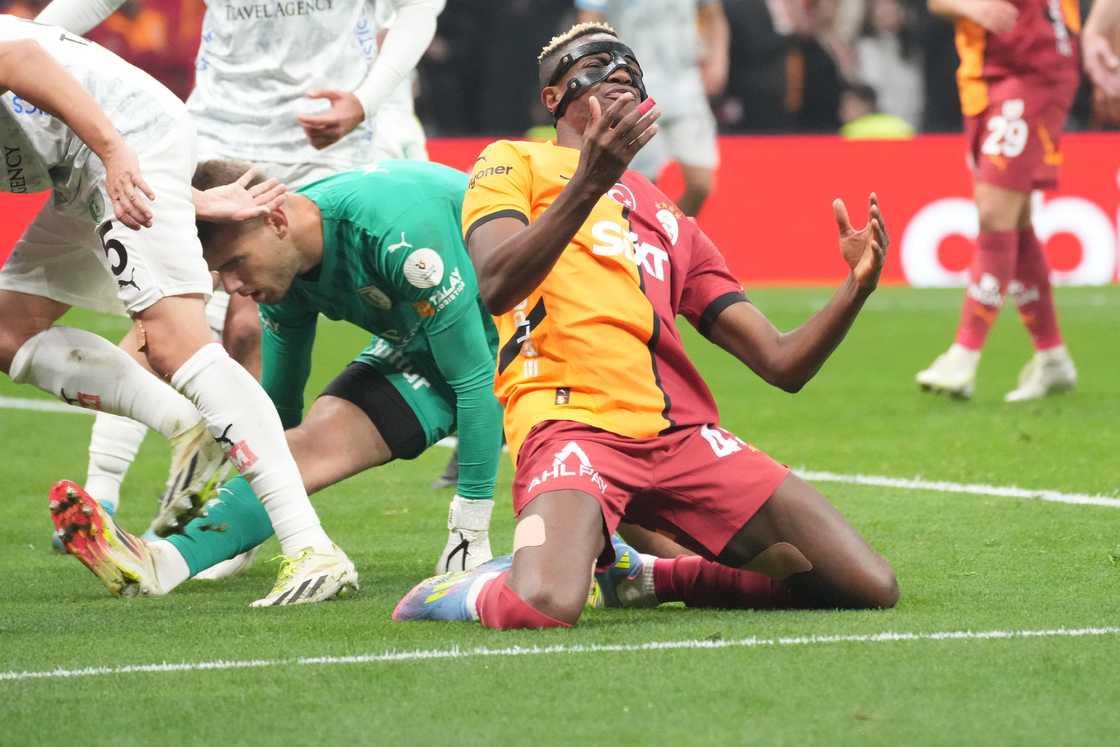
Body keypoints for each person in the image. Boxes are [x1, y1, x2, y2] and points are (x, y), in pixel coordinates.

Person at [393, 22, 898, 629]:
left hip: (682, 437)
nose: (619, 76)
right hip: (570, 421)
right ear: (554, 97)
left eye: (628, 68)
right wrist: (590, 182)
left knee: (866, 585)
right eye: (597, 65)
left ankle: (651, 577)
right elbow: (498, 284)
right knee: (544, 604)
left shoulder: (668, 215)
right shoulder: (511, 163)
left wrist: (855, 288)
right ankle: (460, 591)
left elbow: (781, 362)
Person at [33, 0, 460, 538]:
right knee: (165, 317)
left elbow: (419, 9)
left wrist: (366, 100)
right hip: (217, 137)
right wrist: (31, 55)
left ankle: (226, 503)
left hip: (320, 149)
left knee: (250, 327)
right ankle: (101, 493)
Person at [0, 14, 355, 606]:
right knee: (9, 330)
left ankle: (310, 547)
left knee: (174, 340)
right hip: (84, 165)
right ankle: (188, 427)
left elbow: (19, 60)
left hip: (119, 142)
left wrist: (121, 153)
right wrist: (183, 195)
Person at [53, 158, 505, 599]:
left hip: (537, 341)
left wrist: (468, 532)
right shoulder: (282, 273)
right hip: (421, 341)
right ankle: (161, 563)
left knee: (554, 537)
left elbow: (477, 378)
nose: (231, 288)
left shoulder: (396, 233)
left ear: (276, 221)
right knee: (311, 444)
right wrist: (255, 515)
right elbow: (278, 416)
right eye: (219, 273)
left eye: (235, 263)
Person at [915, 0, 1080, 402]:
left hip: (1033, 68)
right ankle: (1053, 357)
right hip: (985, 74)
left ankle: (965, 354)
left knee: (994, 211)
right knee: (1015, 220)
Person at [575, 0, 727, 217]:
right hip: (632, 87)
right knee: (641, 187)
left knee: (701, 183)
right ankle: (641, 244)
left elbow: (713, 13)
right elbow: (588, 24)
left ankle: (670, 238)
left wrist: (718, 61)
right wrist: (595, 75)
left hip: (686, 87)